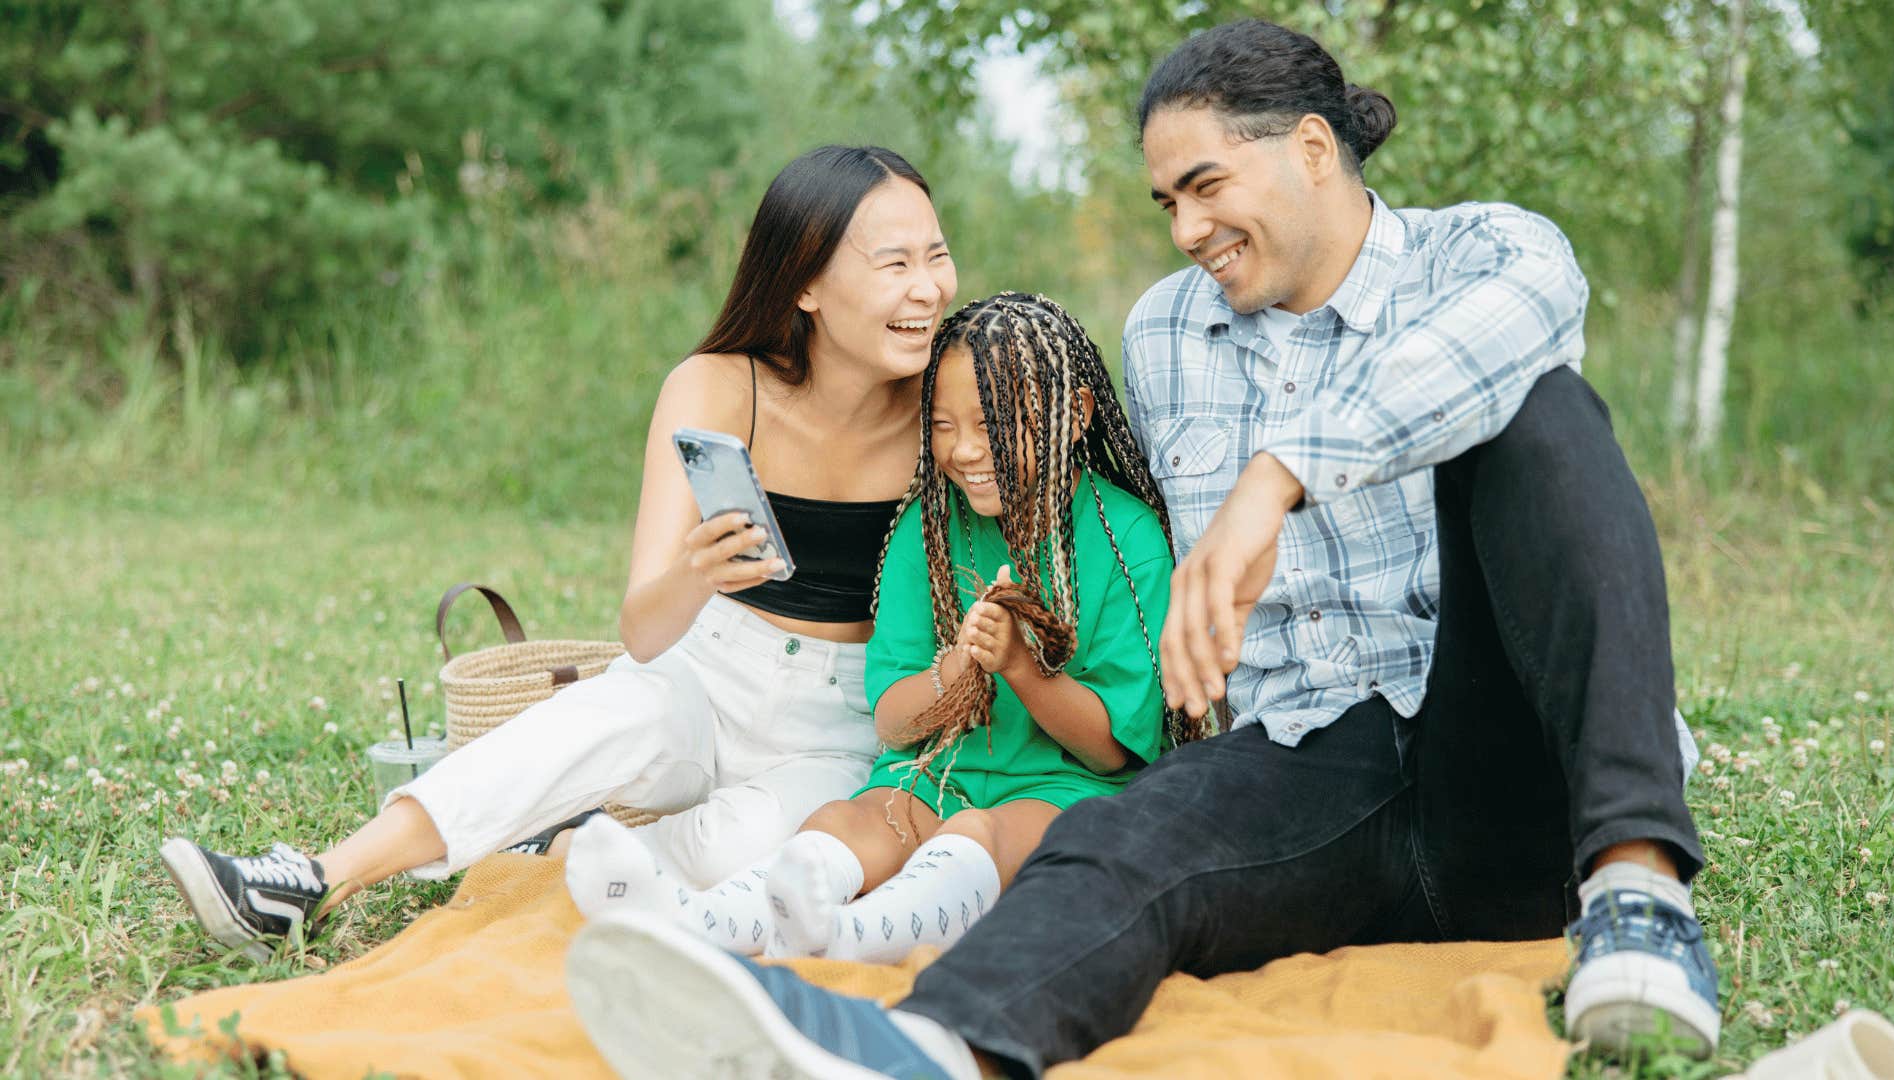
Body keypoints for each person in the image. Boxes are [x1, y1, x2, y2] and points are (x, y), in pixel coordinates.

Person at [556, 20, 1720, 1080]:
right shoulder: (1171, 330)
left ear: (1313, 148)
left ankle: (1640, 895)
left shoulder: (1485, 254)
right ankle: (920, 1050)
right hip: (1310, 763)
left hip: (1508, 760)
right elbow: (1088, 518)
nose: (1186, 229)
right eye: (1166, 199)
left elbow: (1505, 344)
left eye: (1206, 186)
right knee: (1111, 838)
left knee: (1546, 414)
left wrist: (1278, 477)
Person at [157, 144, 960, 963]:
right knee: (592, 723)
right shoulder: (719, 385)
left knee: (733, 862)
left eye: (936, 255)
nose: (927, 287)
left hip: (839, 725)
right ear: (805, 283)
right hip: (707, 668)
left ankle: (568, 853)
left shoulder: (947, 413)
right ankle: (309, 881)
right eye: (893, 262)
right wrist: (695, 573)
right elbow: (645, 634)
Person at [561, 292, 1185, 967]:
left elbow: (1110, 753)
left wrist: (1019, 668)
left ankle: (847, 939)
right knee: (854, 821)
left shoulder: (1129, 540)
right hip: (930, 776)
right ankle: (710, 918)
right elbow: (892, 723)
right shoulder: (929, 532)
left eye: (992, 422)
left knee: (980, 833)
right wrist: (958, 670)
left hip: (1066, 793)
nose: (966, 449)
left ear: (1076, 415)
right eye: (943, 424)